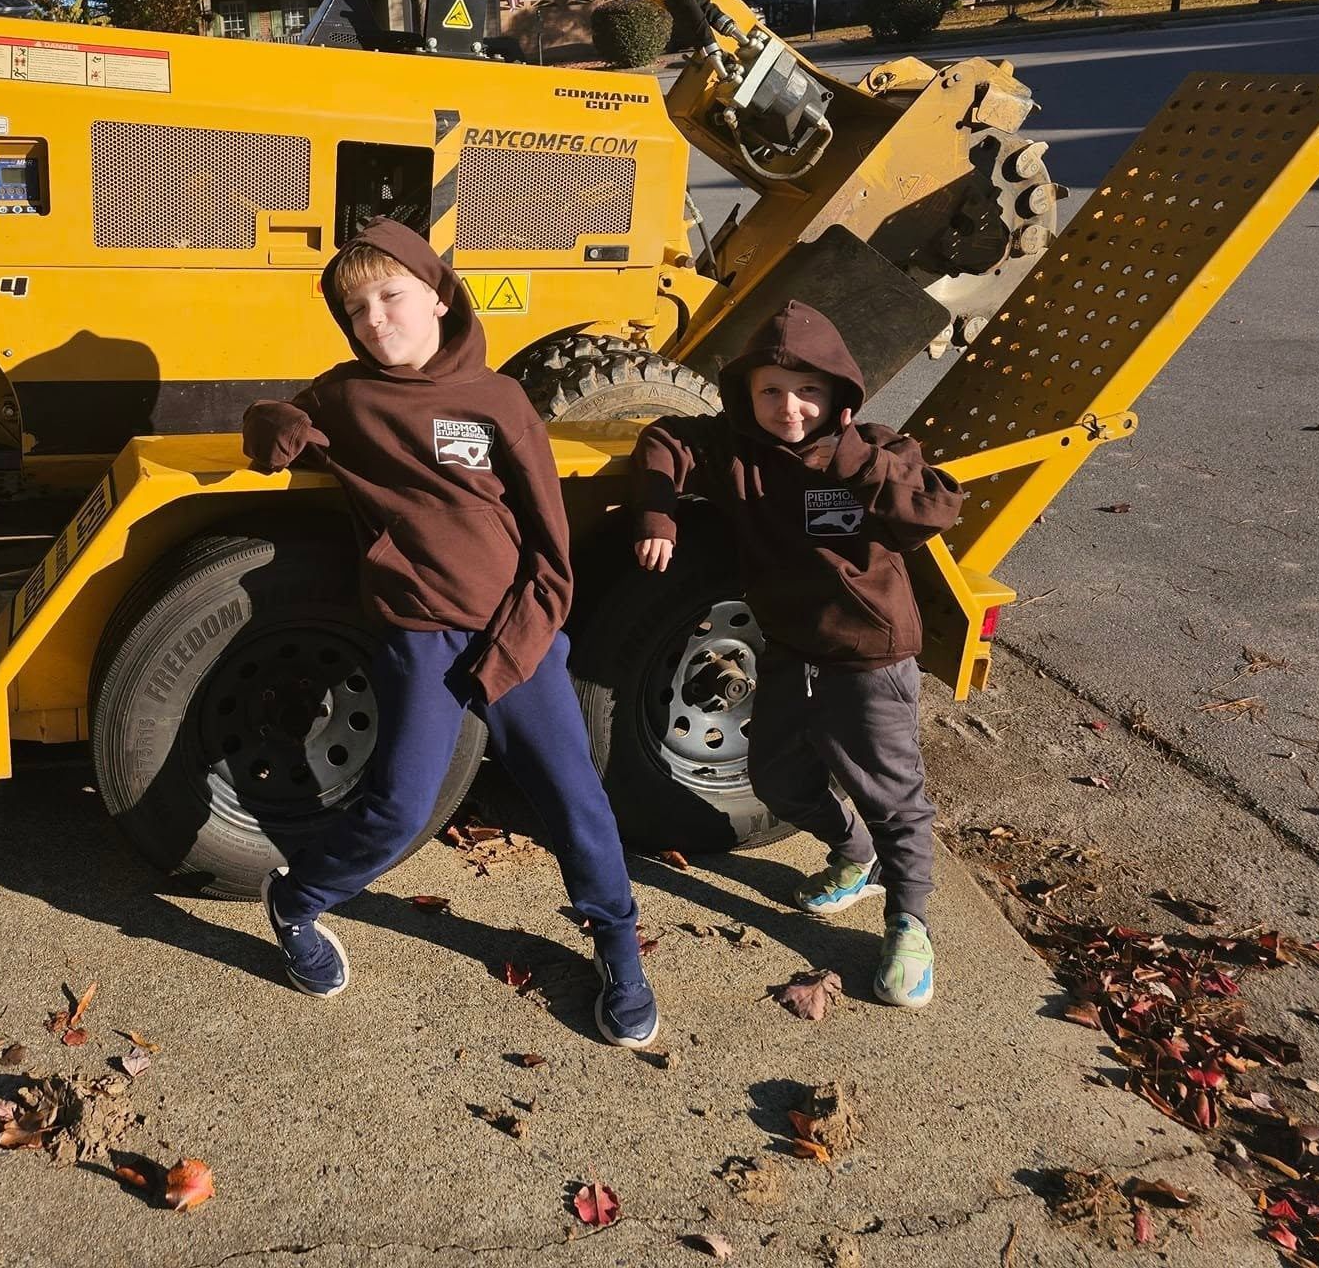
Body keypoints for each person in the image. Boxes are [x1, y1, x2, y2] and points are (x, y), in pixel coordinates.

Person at [241, 217, 657, 1048]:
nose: (375, 320)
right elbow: (273, 420)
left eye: (391, 297)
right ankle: (297, 901)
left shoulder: (498, 400)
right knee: (397, 810)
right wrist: (275, 431)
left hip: (519, 629)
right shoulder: (347, 396)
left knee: (576, 803)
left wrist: (522, 639)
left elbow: (550, 542)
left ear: (437, 297)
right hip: (418, 637)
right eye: (355, 311)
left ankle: (619, 948)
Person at [630, 301, 963, 1008]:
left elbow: (933, 510)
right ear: (747, 394)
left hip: (868, 656)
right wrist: (656, 511)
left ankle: (910, 922)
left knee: (894, 800)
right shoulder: (736, 450)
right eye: (772, 391)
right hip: (787, 650)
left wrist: (854, 461)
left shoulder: (876, 448)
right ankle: (852, 851)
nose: (790, 408)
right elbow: (664, 438)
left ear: (839, 394)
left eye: (810, 391)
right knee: (776, 781)